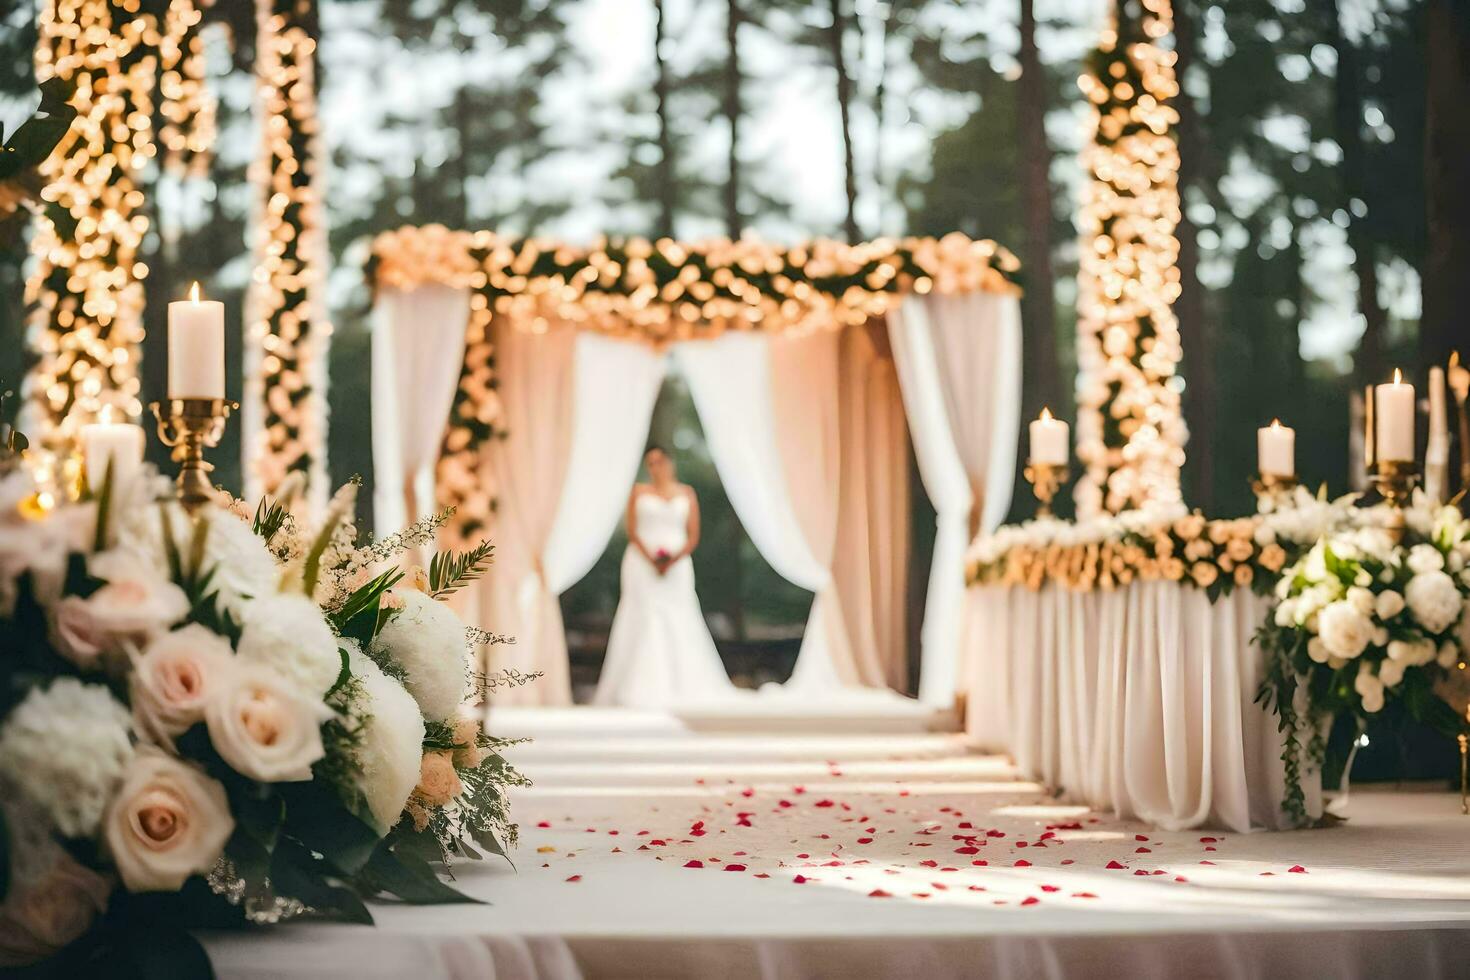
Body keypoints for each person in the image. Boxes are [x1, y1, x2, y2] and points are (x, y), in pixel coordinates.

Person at [593, 446, 736, 707]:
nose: (655, 468)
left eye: (659, 461)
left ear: (670, 463)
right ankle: (637, 682)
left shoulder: (687, 493)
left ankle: (684, 681)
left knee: (679, 614)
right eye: (650, 463)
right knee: (643, 614)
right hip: (642, 563)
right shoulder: (639, 492)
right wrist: (651, 558)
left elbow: (693, 535)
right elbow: (633, 531)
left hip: (677, 565)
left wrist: (673, 558)